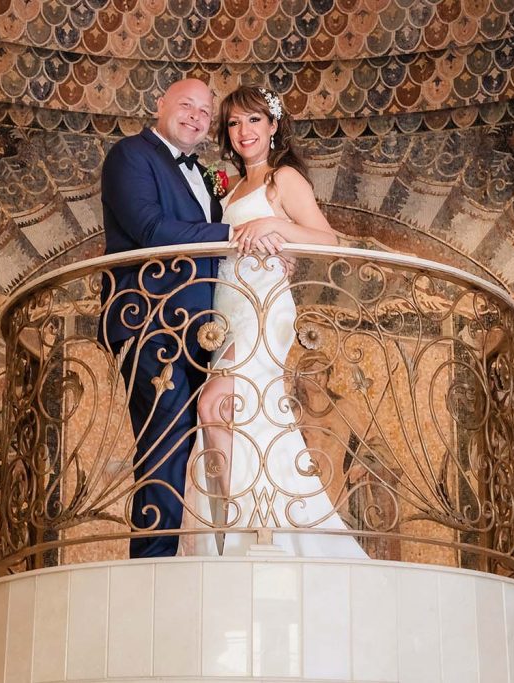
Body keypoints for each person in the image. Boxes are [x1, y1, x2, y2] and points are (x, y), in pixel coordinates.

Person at [193, 85, 369, 559]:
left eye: (253, 120)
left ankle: (239, 532)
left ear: (273, 126)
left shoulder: (282, 179)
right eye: (233, 123)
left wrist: (276, 227)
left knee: (214, 405)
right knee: (244, 415)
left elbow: (327, 241)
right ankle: (263, 524)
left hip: (262, 306)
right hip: (226, 309)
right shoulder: (229, 187)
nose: (243, 131)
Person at [98, 78, 231, 558]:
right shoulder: (131, 156)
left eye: (205, 112)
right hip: (153, 323)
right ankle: (150, 570)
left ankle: (196, 559)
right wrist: (236, 231)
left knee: (202, 448)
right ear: (159, 105)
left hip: (203, 330)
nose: (196, 116)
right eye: (186, 105)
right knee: (164, 446)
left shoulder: (205, 174)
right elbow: (151, 230)